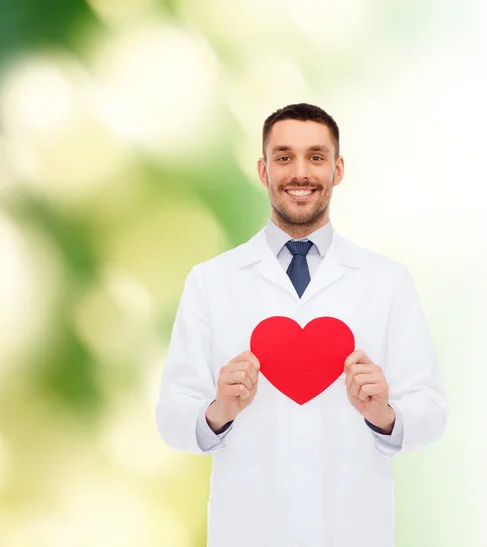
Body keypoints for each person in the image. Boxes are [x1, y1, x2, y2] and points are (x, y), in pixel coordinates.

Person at [155, 103, 449, 547]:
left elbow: (432, 411)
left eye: (315, 156)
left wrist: (383, 416)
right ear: (263, 168)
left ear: (338, 168)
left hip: (352, 530)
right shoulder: (211, 281)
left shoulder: (387, 282)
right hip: (249, 530)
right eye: (283, 156)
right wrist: (219, 412)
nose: (300, 172)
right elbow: (171, 416)